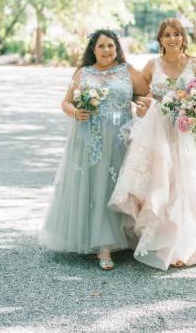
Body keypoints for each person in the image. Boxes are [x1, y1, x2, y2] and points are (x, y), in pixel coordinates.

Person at [109, 18, 196, 270]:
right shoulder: (152, 65)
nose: (172, 39)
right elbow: (142, 93)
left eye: (176, 34)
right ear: (160, 40)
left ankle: (187, 245)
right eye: (167, 35)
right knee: (162, 183)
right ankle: (162, 242)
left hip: (187, 132)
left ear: (183, 38)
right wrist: (143, 104)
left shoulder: (195, 65)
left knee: (188, 185)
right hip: (159, 131)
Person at [39, 29, 148, 270]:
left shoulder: (128, 71)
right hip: (91, 141)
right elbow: (66, 102)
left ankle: (128, 236)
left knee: (120, 186)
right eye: (101, 46)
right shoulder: (83, 73)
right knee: (97, 187)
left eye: (111, 45)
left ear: (116, 47)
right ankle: (103, 246)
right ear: (93, 50)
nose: (107, 50)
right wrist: (75, 112)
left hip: (121, 139)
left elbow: (145, 95)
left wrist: (143, 106)